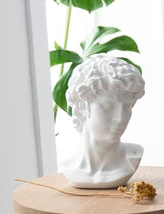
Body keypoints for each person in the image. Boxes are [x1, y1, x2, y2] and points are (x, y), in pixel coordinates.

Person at [61, 55, 146, 189]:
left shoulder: (132, 158)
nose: (120, 118)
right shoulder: (66, 164)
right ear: (83, 106)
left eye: (127, 106)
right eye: (108, 106)